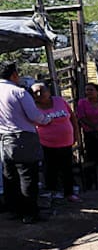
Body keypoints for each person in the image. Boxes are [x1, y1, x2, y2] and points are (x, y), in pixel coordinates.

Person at [0, 62, 51, 223]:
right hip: (22, 137)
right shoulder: (19, 92)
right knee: (27, 176)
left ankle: (14, 210)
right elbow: (34, 116)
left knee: (10, 176)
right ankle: (30, 214)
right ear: (14, 75)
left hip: (4, 139)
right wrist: (47, 119)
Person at [30, 83, 80, 203]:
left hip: (66, 142)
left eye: (41, 91)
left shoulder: (59, 101)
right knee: (50, 169)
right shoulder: (32, 107)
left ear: (48, 91)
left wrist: (76, 134)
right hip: (46, 143)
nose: (38, 94)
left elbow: (72, 117)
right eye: (35, 92)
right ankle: (51, 193)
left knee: (67, 168)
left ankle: (69, 193)